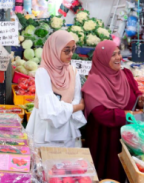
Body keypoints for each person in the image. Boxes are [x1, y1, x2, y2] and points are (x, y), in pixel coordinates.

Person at [82, 40, 143, 183]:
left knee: (128, 170)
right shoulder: (93, 82)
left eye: (119, 53)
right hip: (105, 138)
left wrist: (140, 100)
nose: (118, 58)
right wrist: (128, 114)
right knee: (108, 173)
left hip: (127, 135)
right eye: (112, 55)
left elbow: (136, 92)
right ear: (102, 58)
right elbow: (100, 114)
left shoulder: (126, 74)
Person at [26, 30, 86, 147]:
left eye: (73, 50)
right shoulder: (43, 73)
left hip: (67, 132)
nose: (70, 54)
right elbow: (49, 111)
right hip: (46, 132)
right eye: (66, 50)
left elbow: (77, 99)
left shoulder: (72, 71)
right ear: (54, 49)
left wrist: (69, 107)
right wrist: (76, 107)